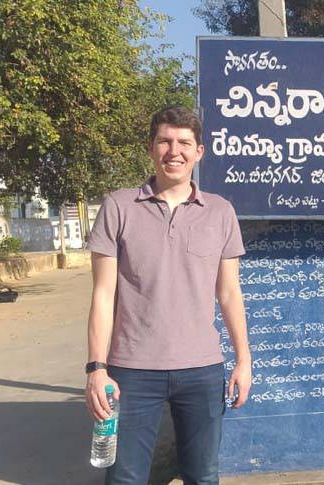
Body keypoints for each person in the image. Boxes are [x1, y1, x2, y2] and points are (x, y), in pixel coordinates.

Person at [84, 105, 252, 484]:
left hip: (202, 370)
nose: (174, 151)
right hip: (131, 371)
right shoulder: (119, 207)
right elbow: (103, 294)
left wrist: (244, 361)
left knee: (203, 476)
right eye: (165, 141)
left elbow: (229, 293)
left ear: (199, 152)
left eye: (184, 143)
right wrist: (97, 368)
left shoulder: (221, 212)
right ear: (151, 147)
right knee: (125, 477)